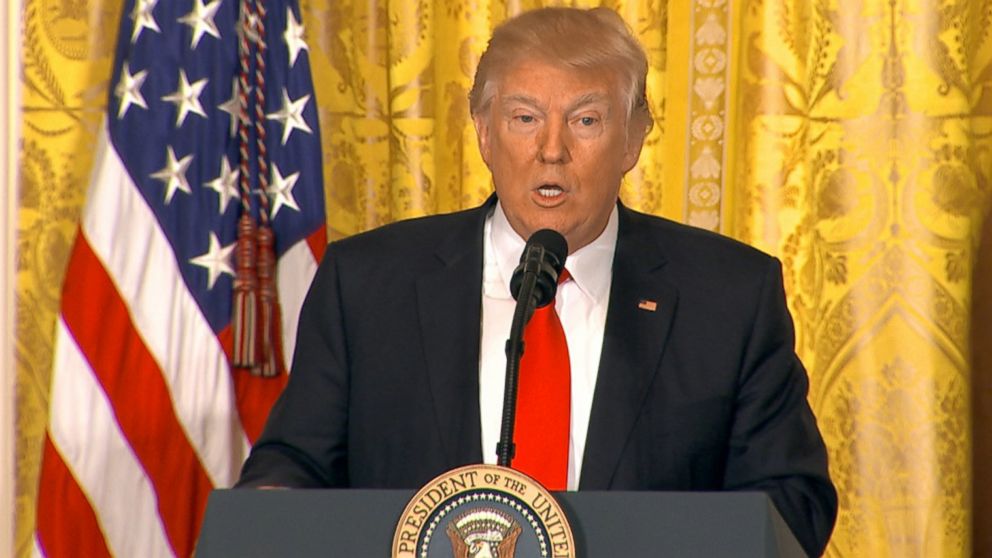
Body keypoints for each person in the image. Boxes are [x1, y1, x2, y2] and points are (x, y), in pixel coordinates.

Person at [237, 6, 837, 555]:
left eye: (586, 120)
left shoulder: (729, 297)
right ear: (483, 131)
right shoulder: (368, 285)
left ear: (633, 138)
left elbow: (793, 503)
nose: (552, 149)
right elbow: (292, 469)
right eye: (525, 117)